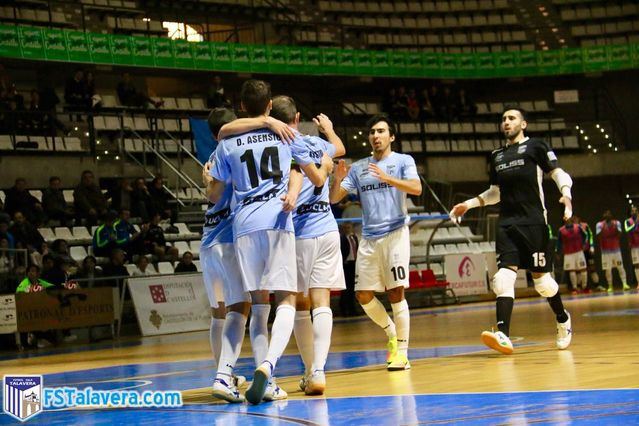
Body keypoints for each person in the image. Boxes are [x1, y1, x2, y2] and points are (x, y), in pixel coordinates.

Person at [210, 79, 333, 404]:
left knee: (255, 305)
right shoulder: (287, 135)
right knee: (288, 300)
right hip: (277, 222)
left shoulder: (227, 142)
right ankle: (268, 364)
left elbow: (214, 192)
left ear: (241, 107)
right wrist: (320, 169)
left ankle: (234, 374)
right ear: (269, 107)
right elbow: (318, 178)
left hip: (243, 226)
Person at [451, 106, 574, 354]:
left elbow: (558, 173)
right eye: (503, 119)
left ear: (523, 124)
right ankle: (503, 335)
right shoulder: (496, 156)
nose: (506, 122)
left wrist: (566, 195)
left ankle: (562, 319)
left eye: (512, 118)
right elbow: (495, 193)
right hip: (507, 223)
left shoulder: (536, 147)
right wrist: (470, 204)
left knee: (543, 284)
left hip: (534, 222)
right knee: (503, 278)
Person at [329, 114, 422, 370]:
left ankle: (402, 351)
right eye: (372, 132)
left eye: (381, 131)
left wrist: (387, 178)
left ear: (391, 136)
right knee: (362, 294)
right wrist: (337, 177)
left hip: (395, 234)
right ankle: (391, 331)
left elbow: (416, 188)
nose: (376, 135)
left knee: (395, 292)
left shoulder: (403, 161)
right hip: (369, 237)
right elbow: (334, 198)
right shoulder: (359, 168)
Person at [597, 210, 630, 292]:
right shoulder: (599, 224)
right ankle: (610, 285)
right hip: (605, 251)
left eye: (609, 214)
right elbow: (598, 235)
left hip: (616, 249)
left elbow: (619, 234)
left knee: (620, 267)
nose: (607, 215)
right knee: (608, 269)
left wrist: (613, 226)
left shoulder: (617, 223)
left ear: (611, 215)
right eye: (605, 213)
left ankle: (624, 283)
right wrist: (604, 227)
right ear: (603, 215)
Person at [557, 218, 588, 294]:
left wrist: (584, 244)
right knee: (572, 270)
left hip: (579, 251)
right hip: (568, 253)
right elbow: (559, 242)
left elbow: (585, 235)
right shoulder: (561, 230)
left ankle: (584, 287)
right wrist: (558, 252)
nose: (567, 219)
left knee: (583, 269)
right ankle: (575, 288)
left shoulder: (578, 227)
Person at [574, 215, 601, 290]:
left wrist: (591, 246)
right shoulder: (573, 227)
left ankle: (597, 285)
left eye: (576, 218)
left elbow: (590, 235)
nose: (575, 219)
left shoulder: (585, 225)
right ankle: (579, 286)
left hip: (587, 250)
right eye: (574, 218)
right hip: (579, 252)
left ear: (579, 218)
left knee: (592, 268)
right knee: (579, 269)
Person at [339, 222, 358, 316]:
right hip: (345, 265)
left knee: (352, 288)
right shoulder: (341, 239)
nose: (347, 229)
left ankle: (353, 310)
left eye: (349, 227)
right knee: (345, 289)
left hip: (353, 264)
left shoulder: (354, 237)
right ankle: (344, 310)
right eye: (345, 227)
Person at [625, 206, 639, 287]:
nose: (634, 212)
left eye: (635, 210)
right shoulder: (627, 221)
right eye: (632, 211)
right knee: (637, 264)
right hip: (634, 246)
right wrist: (635, 223)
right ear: (630, 213)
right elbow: (627, 230)